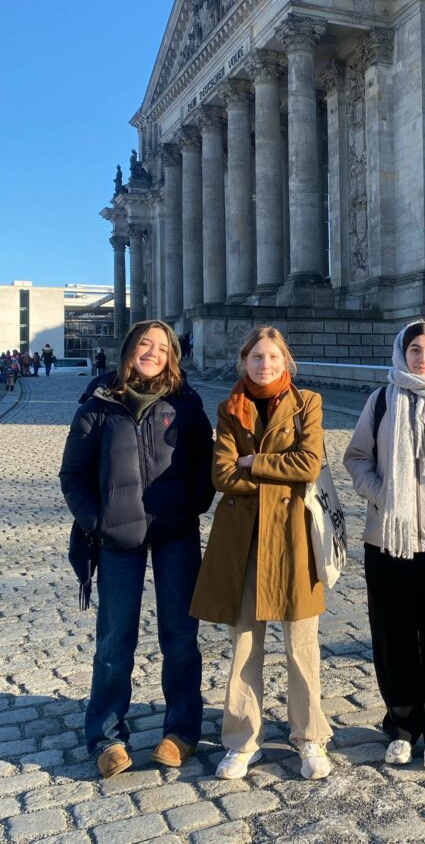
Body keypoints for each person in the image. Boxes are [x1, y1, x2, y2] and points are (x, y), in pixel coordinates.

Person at [59, 320, 214, 779]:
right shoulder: (98, 404)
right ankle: (106, 735)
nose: (152, 353)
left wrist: (191, 506)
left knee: (180, 639)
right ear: (130, 349)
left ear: (172, 357)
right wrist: (99, 523)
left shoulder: (185, 403)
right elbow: (73, 476)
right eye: (145, 344)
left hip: (175, 535)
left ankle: (181, 731)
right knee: (114, 641)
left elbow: (205, 463)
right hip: (117, 542)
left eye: (162, 348)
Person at [191, 326, 333, 781]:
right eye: (256, 357)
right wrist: (274, 477)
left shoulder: (307, 402)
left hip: (294, 538)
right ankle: (241, 740)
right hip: (244, 540)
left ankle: (309, 736)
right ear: (244, 361)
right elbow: (222, 475)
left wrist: (253, 463)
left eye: (272, 356)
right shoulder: (229, 408)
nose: (264, 364)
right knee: (245, 644)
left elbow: (308, 463)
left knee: (302, 644)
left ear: (285, 361)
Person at [344, 320, 425, 771]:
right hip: (388, 539)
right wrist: (381, 494)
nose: (423, 358)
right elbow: (356, 457)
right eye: (416, 350)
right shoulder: (381, 400)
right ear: (403, 352)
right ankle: (401, 726)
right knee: (393, 637)